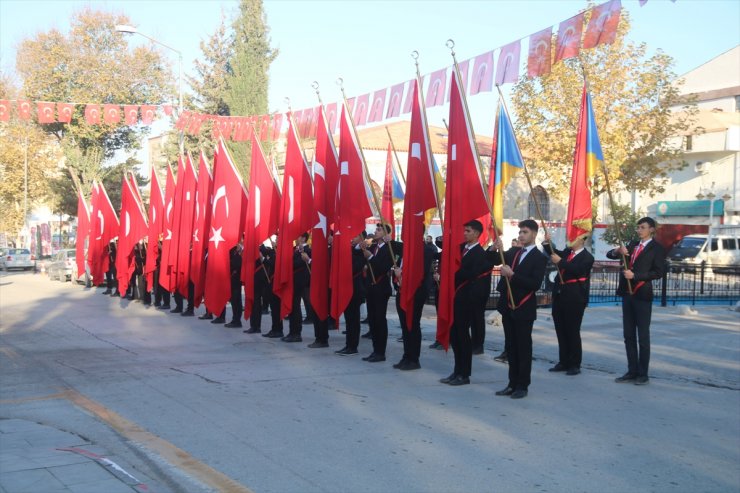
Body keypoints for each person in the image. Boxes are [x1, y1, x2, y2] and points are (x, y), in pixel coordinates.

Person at [606, 217, 666, 385]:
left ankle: (643, 373)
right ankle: (632, 371)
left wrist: (636, 276)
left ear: (652, 229)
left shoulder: (657, 248)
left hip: (642, 294)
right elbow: (609, 255)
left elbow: (658, 272)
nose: (639, 230)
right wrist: (618, 251)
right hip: (627, 293)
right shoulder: (633, 244)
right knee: (628, 335)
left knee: (643, 336)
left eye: (643, 227)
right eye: (638, 227)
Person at [493, 219, 547, 399]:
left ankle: (522, 385)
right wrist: (495, 248)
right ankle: (511, 383)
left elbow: (534, 284)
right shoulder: (515, 252)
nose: (521, 235)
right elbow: (493, 259)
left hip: (524, 307)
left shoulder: (539, 257)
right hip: (509, 306)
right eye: (520, 232)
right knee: (511, 346)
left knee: (523, 348)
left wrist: (513, 275)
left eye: (524, 232)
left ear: (534, 233)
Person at [439, 220, 495, 386]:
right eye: (464, 230)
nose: (465, 233)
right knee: (455, 335)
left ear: (477, 234)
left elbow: (470, 273)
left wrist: (452, 274)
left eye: (468, 231)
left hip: (467, 299)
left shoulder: (479, 253)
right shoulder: (460, 248)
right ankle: (457, 370)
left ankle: (465, 374)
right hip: (456, 297)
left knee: (463, 336)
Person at [543, 232, 595, 376]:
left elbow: (578, 270)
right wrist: (548, 244)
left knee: (572, 330)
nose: (569, 239)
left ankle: (574, 363)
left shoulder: (587, 257)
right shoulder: (567, 252)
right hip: (560, 295)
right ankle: (563, 361)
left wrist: (561, 262)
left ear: (582, 239)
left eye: (573, 237)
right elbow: (554, 253)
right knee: (561, 330)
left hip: (575, 298)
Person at [360, 224, 398, 363]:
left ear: (386, 233)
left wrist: (370, 258)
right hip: (371, 288)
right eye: (376, 229)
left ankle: (380, 352)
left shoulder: (389, 249)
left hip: (381, 289)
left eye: (379, 230)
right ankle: (375, 350)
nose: (375, 232)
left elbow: (382, 268)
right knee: (372, 320)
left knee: (379, 320)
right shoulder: (374, 247)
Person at [335, 232, 367, 356]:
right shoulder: (353, 250)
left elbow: (354, 267)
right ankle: (348, 345)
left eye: (355, 236)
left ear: (361, 238)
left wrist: (355, 250)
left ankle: (353, 346)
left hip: (356, 289)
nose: (352, 238)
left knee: (354, 319)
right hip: (347, 288)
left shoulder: (362, 251)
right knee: (349, 318)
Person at [283, 233, 312, 342]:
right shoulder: (295, 249)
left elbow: (295, 263)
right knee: (292, 307)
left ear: (304, 238)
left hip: (300, 282)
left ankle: (296, 333)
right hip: (292, 282)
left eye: (298, 236)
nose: (296, 238)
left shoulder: (307, 250)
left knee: (295, 307)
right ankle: (292, 331)